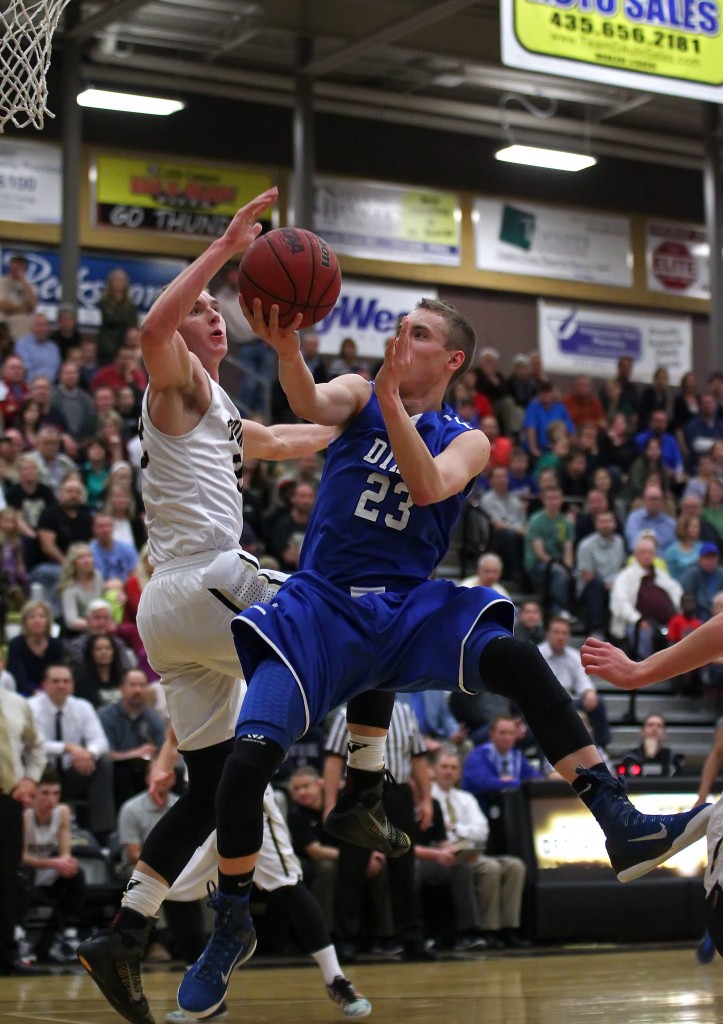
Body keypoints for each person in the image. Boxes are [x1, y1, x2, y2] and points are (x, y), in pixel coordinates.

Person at [176, 292, 711, 1017]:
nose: (401, 338)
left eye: (418, 333)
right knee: (243, 772)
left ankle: (615, 817)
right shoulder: (362, 394)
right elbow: (307, 394)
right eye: (399, 328)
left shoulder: (467, 438)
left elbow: (427, 485)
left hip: (403, 607)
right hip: (322, 603)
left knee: (517, 658)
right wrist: (287, 347)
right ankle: (232, 922)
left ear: (451, 359)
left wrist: (395, 402)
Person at [76, 187, 333, 1024]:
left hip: (172, 616)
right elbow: (152, 331)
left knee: (214, 782)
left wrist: (389, 414)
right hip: (205, 580)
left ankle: (125, 929)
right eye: (205, 314)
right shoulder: (174, 386)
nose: (216, 319)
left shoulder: (220, 410)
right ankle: (351, 793)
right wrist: (225, 248)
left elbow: (297, 438)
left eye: (224, 314)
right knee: (334, 626)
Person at [432, 746, 527, 949]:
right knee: (490, 869)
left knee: (514, 865)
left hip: (473, 852)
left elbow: (482, 831)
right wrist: (464, 833)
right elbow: (441, 835)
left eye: (453, 768)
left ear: (458, 773)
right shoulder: (429, 800)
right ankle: (488, 930)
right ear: (434, 770)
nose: (448, 771)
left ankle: (509, 928)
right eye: (444, 767)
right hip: (445, 856)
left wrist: (455, 828)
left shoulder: (466, 798)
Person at [27, 663, 115, 843]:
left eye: (66, 681)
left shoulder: (83, 706)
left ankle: (102, 835)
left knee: (103, 764)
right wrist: (68, 747)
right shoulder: (30, 707)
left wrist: (88, 754)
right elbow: (33, 744)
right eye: (56, 681)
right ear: (44, 684)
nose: (61, 685)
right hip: (40, 771)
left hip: (72, 771)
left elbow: (101, 742)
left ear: (72, 685)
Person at [0, 681, 46, 975]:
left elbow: (36, 745)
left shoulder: (16, 703)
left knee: (6, 877)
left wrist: (30, 778)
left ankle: (6, 952)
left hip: (7, 799)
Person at [21, 768, 86, 963]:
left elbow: (65, 853)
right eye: (45, 793)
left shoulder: (63, 812)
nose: (51, 799)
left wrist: (65, 863)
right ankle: (20, 937)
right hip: (26, 872)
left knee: (76, 874)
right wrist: (54, 863)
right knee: (22, 874)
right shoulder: (24, 814)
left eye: (56, 793)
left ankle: (68, 934)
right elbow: (20, 856)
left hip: (48, 871)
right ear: (34, 795)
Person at [537, 617, 611, 749]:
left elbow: (583, 680)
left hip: (569, 701)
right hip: (545, 703)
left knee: (597, 702)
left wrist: (589, 693)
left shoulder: (573, 655)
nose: (560, 637)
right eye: (556, 632)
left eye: (564, 633)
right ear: (547, 634)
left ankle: (601, 748)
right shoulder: (537, 654)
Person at [99, 669, 166, 811]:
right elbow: (106, 754)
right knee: (122, 771)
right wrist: (135, 753)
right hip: (118, 768)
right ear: (121, 689)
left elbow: (164, 748)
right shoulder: (106, 716)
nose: (138, 690)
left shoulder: (152, 717)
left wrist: (157, 764)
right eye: (133, 685)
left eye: (142, 685)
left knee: (173, 770)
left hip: (147, 767)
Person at [609, 535, 682, 659]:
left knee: (682, 625)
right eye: (643, 552)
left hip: (665, 621)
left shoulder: (660, 574)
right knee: (641, 630)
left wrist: (679, 613)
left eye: (650, 552)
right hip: (639, 622)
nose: (647, 556)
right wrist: (637, 619)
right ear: (636, 554)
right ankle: (644, 665)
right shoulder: (626, 576)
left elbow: (676, 591)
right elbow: (620, 603)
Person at [619, 713, 682, 778]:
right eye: (650, 725)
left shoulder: (671, 758)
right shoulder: (630, 758)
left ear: (664, 734)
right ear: (642, 732)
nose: (654, 729)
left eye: (659, 726)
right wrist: (649, 755)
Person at [96, 270, 139, 366]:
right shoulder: (103, 302)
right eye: (117, 280)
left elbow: (134, 326)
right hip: (106, 343)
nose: (119, 283)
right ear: (110, 282)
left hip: (125, 343)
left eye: (122, 280)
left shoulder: (130, 305)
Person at [15, 314, 62, 384]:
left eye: (44, 325)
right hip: (29, 387)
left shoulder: (53, 347)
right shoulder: (22, 344)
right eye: (38, 325)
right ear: (31, 327)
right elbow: (25, 370)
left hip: (51, 388)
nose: (41, 329)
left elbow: (57, 369)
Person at [0, 253, 37, 341]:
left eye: (21, 264)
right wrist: (21, 309)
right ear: (10, 265)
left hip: (23, 328)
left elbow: (32, 307)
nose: (18, 267)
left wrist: (24, 282)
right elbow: (2, 305)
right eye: (16, 263)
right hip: (5, 324)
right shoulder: (2, 281)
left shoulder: (28, 286)